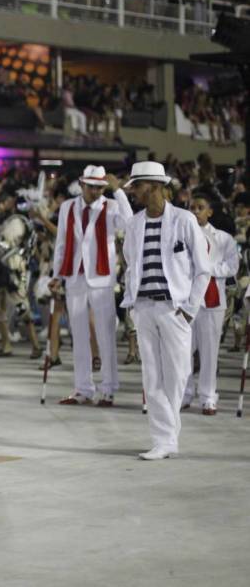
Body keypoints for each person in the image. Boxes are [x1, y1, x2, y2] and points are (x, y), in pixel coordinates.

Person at [121, 161, 211, 461]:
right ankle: (163, 439)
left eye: (137, 186)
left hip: (175, 310)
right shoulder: (134, 224)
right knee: (151, 376)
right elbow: (131, 265)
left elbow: (203, 270)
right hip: (144, 308)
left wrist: (188, 310)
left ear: (156, 187)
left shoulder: (184, 220)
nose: (133, 192)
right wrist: (132, 304)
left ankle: (168, 436)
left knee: (178, 374)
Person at [49, 165, 133, 406]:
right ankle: (83, 388)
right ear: (82, 184)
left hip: (101, 278)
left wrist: (119, 192)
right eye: (92, 187)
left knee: (105, 334)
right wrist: (57, 275)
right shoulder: (68, 207)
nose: (96, 192)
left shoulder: (112, 206)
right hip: (74, 277)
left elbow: (129, 225)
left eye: (100, 187)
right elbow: (62, 243)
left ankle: (108, 388)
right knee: (79, 334)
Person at [183, 194, 236, 415]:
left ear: (209, 212)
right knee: (184, 351)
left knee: (209, 351)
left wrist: (206, 270)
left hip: (212, 300)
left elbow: (231, 267)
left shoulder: (223, 238)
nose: (195, 211)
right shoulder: (182, 235)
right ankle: (184, 393)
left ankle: (208, 396)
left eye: (200, 207)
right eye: (192, 207)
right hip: (186, 300)